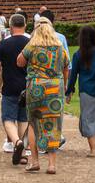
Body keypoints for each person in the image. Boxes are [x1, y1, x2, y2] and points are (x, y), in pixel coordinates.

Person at [17, 16, 69, 174]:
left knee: (33, 123)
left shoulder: (32, 46)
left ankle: (34, 161)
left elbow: (19, 61)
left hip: (36, 87)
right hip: (55, 88)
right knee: (54, 124)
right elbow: (66, 66)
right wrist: (64, 84)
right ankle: (52, 164)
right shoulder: (60, 46)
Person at [65, 25, 95, 157]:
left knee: (88, 118)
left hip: (86, 91)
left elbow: (73, 75)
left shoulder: (78, 54)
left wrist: (69, 92)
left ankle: (92, 149)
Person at [0, 11, 29, 162]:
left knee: (8, 118)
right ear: (25, 25)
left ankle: (17, 142)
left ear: (10, 26)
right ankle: (24, 152)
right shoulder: (31, 42)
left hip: (10, 86)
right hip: (28, 86)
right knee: (23, 118)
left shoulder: (4, 44)